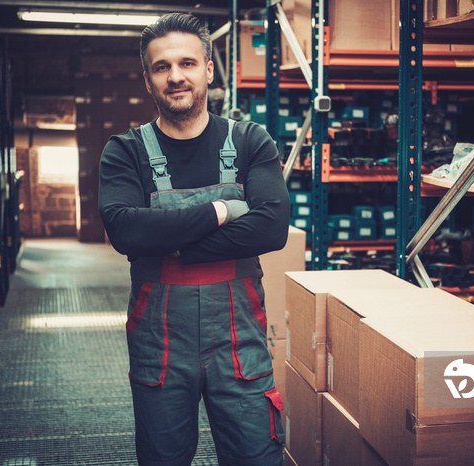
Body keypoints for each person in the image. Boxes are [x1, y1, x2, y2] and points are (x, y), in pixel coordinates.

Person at [98, 12, 290, 466]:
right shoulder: (124, 151)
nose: (175, 76)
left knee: (256, 457)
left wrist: (168, 242)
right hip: (160, 344)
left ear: (208, 69)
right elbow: (125, 230)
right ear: (148, 79)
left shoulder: (249, 141)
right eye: (161, 67)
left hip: (239, 342)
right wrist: (221, 212)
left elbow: (271, 228)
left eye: (187, 63)